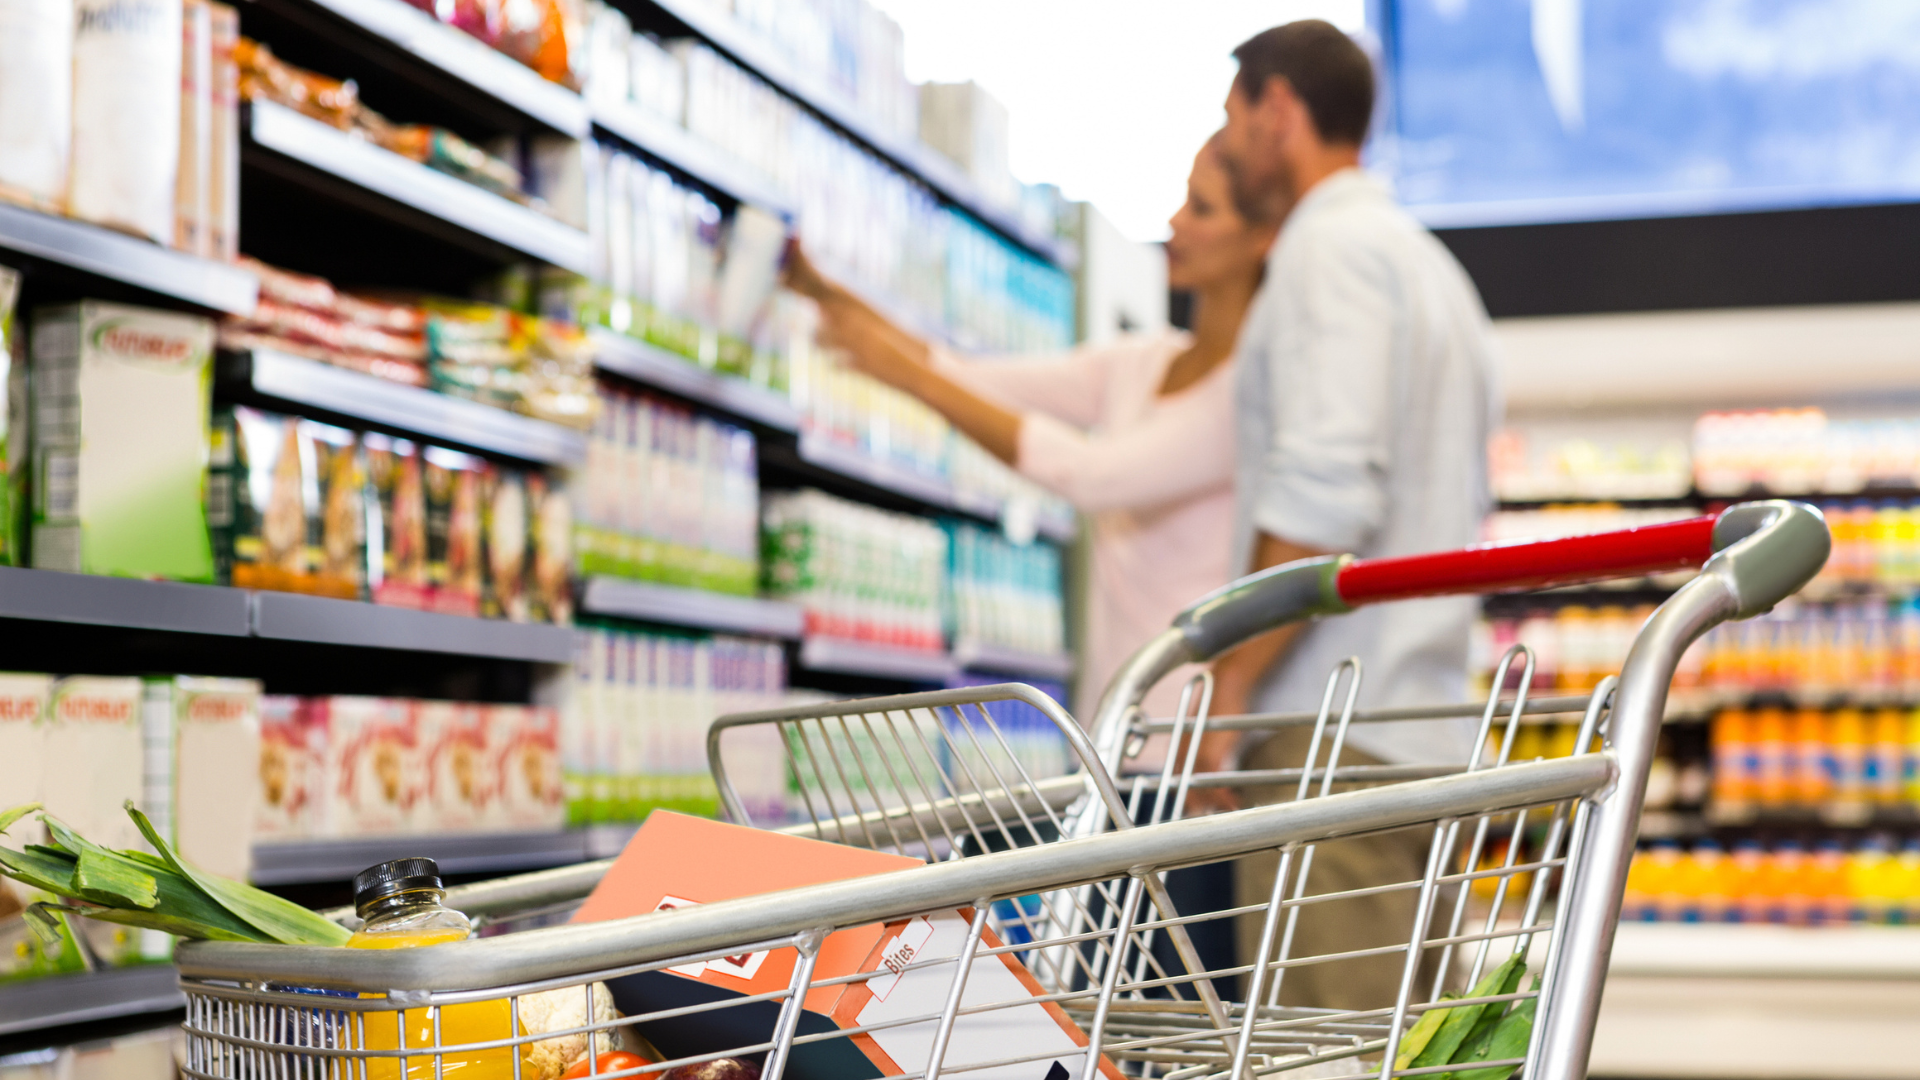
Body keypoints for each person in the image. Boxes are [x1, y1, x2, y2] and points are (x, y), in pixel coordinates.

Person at [1196, 21, 1502, 1011]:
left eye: (1233, 114)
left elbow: (1327, 492)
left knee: (1316, 1053)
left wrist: (1226, 683)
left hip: (1336, 742)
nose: (1229, 139)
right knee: (1400, 1052)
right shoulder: (1428, 267)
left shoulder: (1329, 254)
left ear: (1277, 109)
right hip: (1417, 732)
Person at [781, 140, 1281, 724]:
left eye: (1201, 209)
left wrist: (907, 377)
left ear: (1260, 239)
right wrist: (824, 293)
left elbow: (1090, 476)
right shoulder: (1142, 362)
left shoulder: (1238, 399)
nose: (1173, 223)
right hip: (1117, 718)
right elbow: (971, 376)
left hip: (1188, 731)